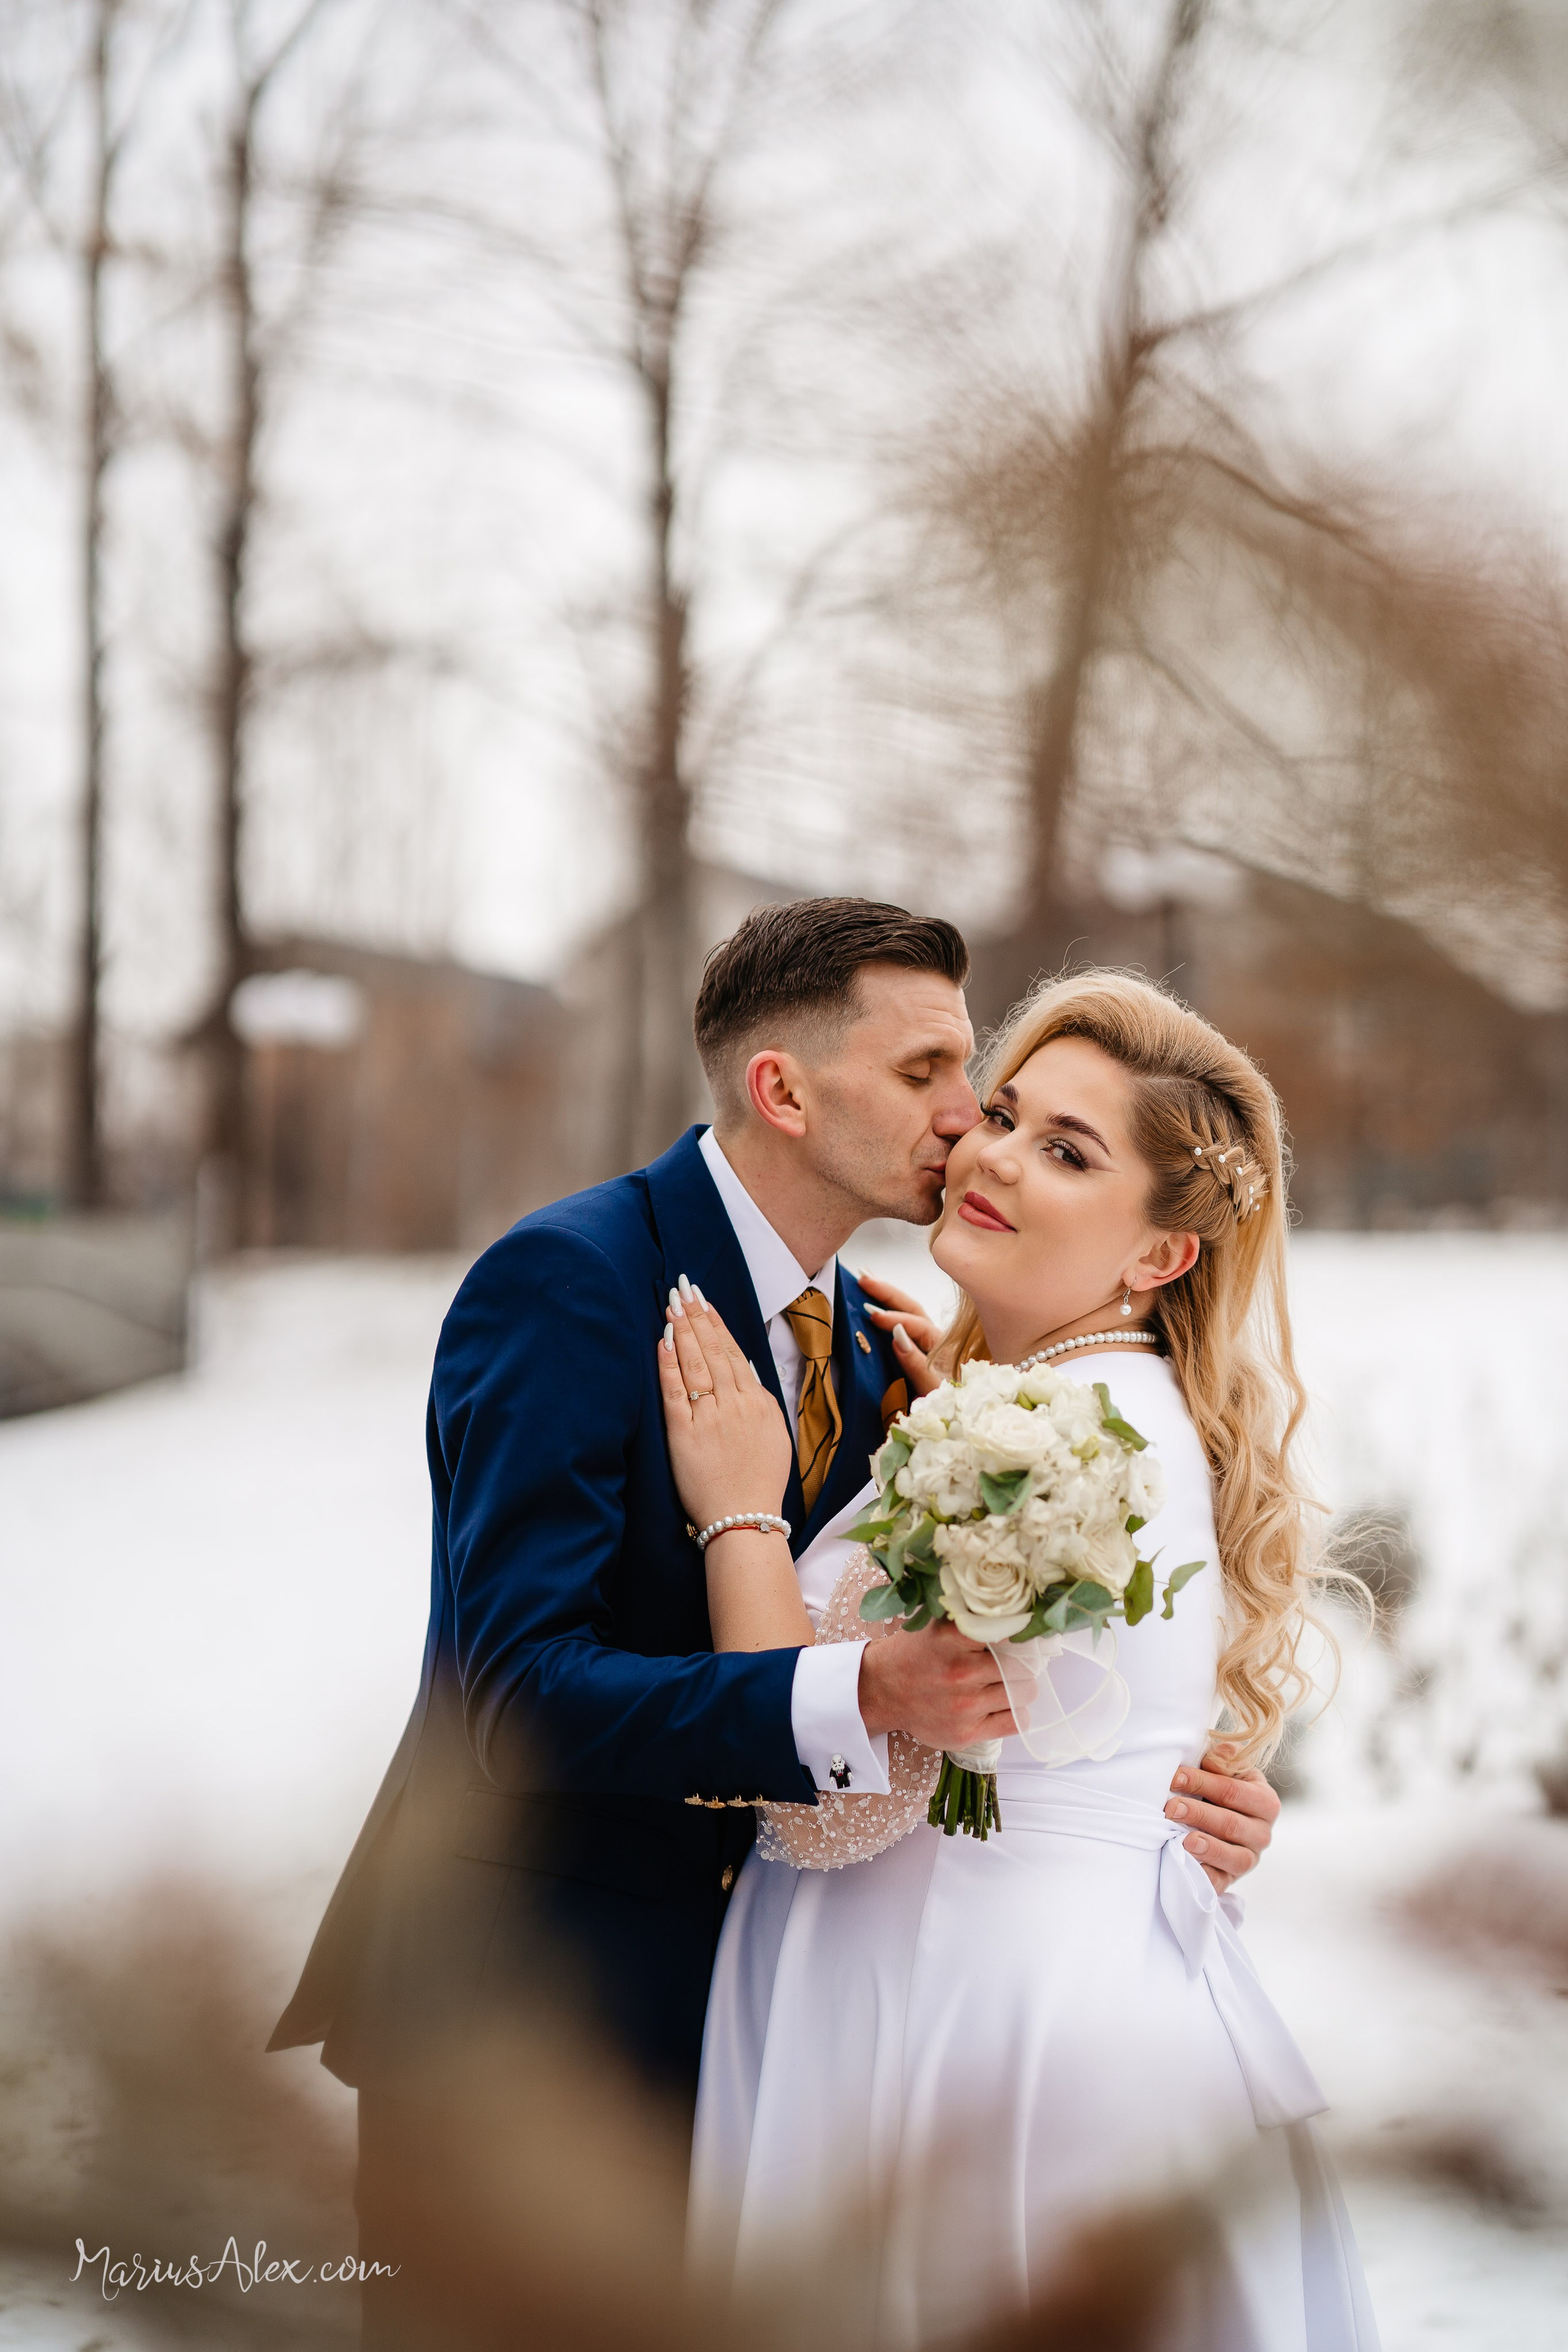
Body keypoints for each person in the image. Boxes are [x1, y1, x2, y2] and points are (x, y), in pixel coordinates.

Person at [267, 903, 1280, 2337]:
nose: (966, 1122)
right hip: (530, 2023)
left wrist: (1155, 1796)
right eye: (931, 1076)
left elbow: (997, 1673)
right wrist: (858, 1696)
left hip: (776, 2049)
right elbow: (513, 1694)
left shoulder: (886, 1353)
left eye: (981, 1085)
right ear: (784, 1093)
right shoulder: (573, 1282)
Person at [663, 968, 1377, 2350]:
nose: (989, 1156)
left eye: (1067, 1152)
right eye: (1002, 1115)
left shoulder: (1053, 1444)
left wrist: (742, 1508)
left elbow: (818, 1814)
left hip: (971, 2029)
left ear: (1159, 1255)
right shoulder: (1080, 1412)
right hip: (1037, 1989)